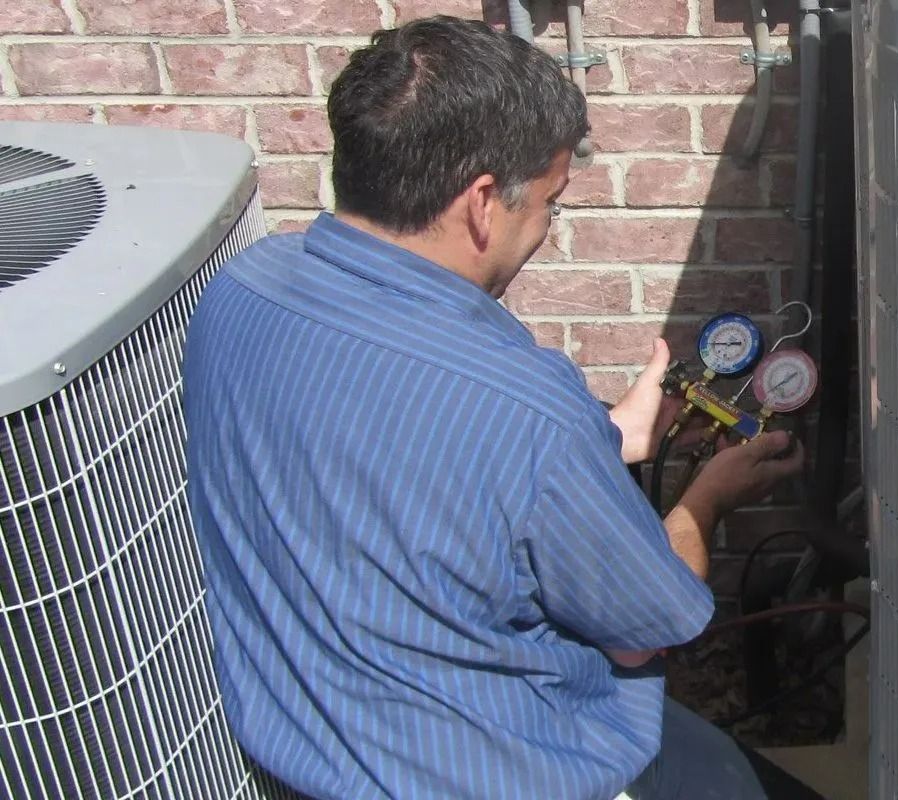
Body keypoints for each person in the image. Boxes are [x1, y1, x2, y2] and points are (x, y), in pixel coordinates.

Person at [181, 16, 801, 800]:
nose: (544, 227)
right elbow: (649, 630)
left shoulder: (239, 291)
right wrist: (704, 500)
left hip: (299, 758)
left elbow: (392, 459)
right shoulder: (526, 409)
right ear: (483, 203)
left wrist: (606, 438)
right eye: (550, 203)